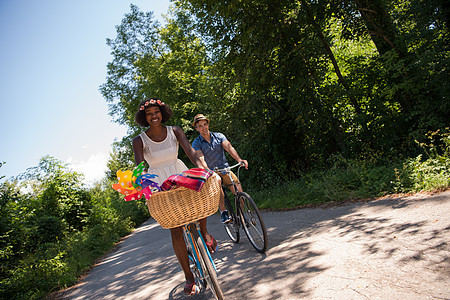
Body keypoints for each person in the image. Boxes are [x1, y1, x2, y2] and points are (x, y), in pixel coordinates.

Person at [132, 99, 218, 295]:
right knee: (175, 230)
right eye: (149, 113)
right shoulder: (139, 140)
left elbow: (190, 151)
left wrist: (203, 168)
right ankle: (189, 276)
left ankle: (204, 233)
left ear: (162, 113)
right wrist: (142, 184)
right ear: (144, 118)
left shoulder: (175, 130)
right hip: (159, 182)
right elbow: (140, 167)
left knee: (200, 197)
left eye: (157, 111)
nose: (154, 116)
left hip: (179, 174)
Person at [192, 114, 248, 224]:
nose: (204, 127)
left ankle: (240, 214)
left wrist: (239, 159)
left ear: (208, 124)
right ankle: (223, 212)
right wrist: (208, 171)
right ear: (196, 128)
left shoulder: (219, 136)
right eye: (200, 126)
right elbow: (201, 158)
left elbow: (229, 147)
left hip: (224, 168)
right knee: (219, 189)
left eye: (205, 124)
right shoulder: (196, 143)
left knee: (239, 192)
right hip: (211, 172)